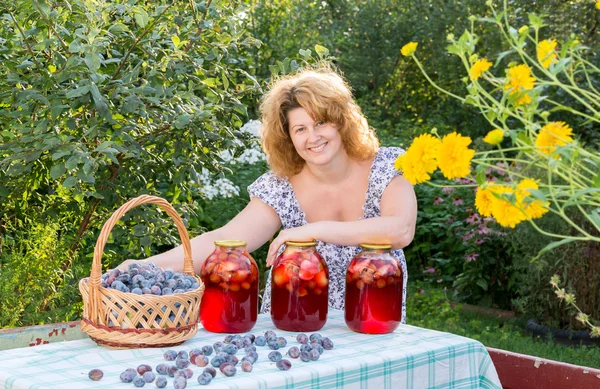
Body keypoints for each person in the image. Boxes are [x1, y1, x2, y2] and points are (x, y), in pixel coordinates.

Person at [119, 65, 417, 321]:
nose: (313, 137)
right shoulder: (281, 186)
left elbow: (400, 230)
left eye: (321, 122)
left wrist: (310, 231)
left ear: (341, 121)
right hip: (292, 328)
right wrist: (138, 267)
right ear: (288, 137)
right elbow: (225, 239)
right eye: (300, 129)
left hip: (373, 325)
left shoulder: (388, 165)